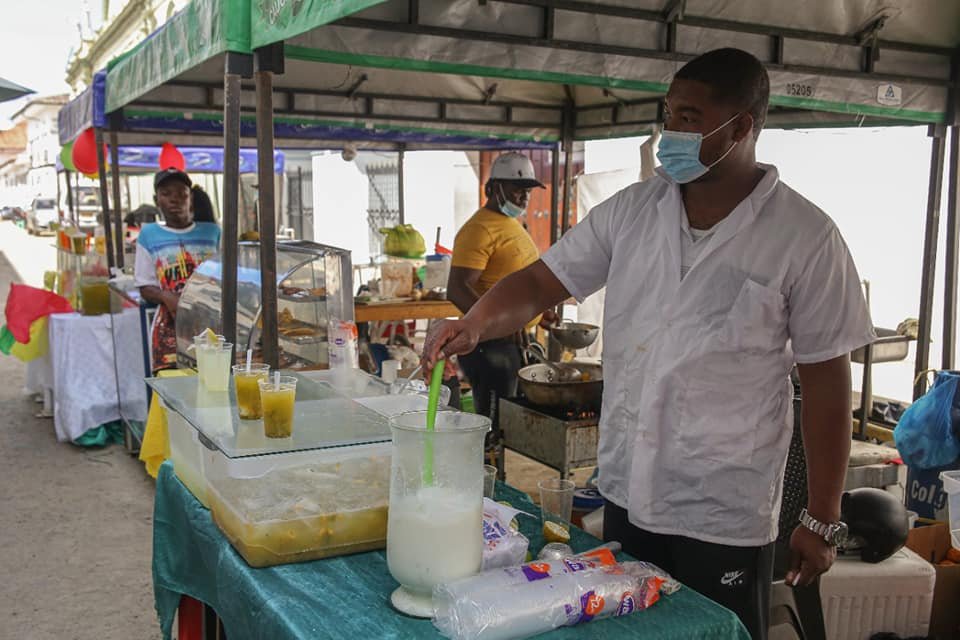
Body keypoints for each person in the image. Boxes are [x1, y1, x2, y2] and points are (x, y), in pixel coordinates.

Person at [424, 48, 874, 639]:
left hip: (723, 510)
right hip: (631, 492)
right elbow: (540, 281)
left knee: (713, 633)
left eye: (689, 118)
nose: (671, 133)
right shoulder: (633, 211)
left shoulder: (804, 237)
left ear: (742, 127)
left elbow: (825, 382)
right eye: (669, 115)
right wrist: (476, 322)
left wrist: (823, 515)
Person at [447, 152, 553, 434]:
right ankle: (484, 475)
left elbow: (516, 279)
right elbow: (457, 289)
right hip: (489, 346)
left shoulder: (511, 225)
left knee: (508, 425)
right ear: (492, 188)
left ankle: (496, 472)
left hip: (512, 342)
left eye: (527, 190)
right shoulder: (479, 229)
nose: (524, 197)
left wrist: (537, 313)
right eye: (517, 189)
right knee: (492, 427)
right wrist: (499, 324)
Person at [135, 168, 221, 372]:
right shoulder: (149, 235)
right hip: (170, 330)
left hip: (211, 325)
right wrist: (167, 296)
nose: (175, 199)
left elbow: (226, 276)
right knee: (173, 389)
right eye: (166, 194)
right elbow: (144, 285)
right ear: (157, 200)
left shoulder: (212, 233)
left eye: (181, 193)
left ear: (190, 197)